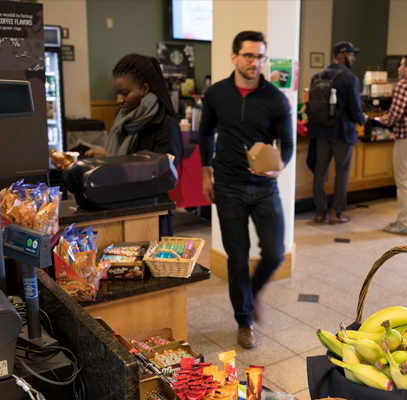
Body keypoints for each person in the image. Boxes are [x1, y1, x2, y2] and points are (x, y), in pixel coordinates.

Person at [198, 31, 294, 349]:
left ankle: (249, 295)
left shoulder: (276, 99)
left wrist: (277, 167)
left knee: (275, 252)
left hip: (265, 188)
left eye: (260, 57)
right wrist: (205, 174)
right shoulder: (216, 94)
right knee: (236, 257)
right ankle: (245, 321)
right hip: (227, 185)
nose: (255, 63)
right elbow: (205, 134)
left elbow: (288, 143)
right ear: (235, 57)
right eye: (249, 56)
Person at [84, 53, 183, 236]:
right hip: (116, 210)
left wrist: (113, 164)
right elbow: (124, 158)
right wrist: (106, 159)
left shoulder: (165, 125)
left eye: (124, 93)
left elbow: (165, 178)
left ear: (144, 89)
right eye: (117, 93)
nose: (119, 100)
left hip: (149, 216)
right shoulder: (121, 119)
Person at [307, 41, 366, 224]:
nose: (353, 58)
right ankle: (337, 213)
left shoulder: (317, 76)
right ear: (340, 55)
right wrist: (364, 119)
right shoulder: (350, 79)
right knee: (341, 173)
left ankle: (319, 212)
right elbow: (356, 109)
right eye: (351, 54)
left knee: (319, 172)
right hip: (343, 132)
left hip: (320, 131)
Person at [377, 54, 407, 236]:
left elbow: (394, 116)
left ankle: (404, 224)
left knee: (404, 182)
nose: (398, 69)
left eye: (401, 65)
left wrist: (380, 120)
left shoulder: (404, 85)